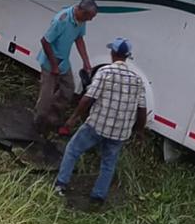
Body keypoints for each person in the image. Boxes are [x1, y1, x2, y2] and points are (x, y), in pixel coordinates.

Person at [54, 38, 147, 205]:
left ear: (112, 53)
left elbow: (87, 98)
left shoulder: (105, 72)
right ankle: (98, 197)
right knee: (108, 164)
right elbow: (142, 111)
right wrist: (139, 131)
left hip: (97, 125)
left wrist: (73, 118)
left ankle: (61, 184)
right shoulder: (138, 80)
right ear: (127, 57)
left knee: (73, 149)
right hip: (120, 132)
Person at [35, 0, 97, 136]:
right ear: (82, 12)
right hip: (50, 63)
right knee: (46, 96)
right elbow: (45, 41)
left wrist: (86, 61)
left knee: (68, 90)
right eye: (89, 17)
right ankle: (38, 125)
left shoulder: (81, 21)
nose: (90, 20)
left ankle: (52, 119)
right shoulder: (61, 20)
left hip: (63, 62)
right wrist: (54, 66)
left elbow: (79, 39)